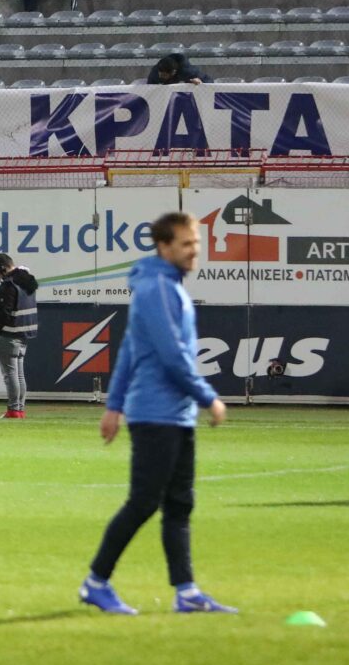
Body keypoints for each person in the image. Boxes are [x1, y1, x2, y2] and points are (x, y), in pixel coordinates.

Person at [81, 212, 238, 617]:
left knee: (179, 503)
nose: (195, 251)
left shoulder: (163, 287)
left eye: (196, 243)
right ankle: (95, 582)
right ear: (164, 247)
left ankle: (186, 593)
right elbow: (171, 356)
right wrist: (209, 397)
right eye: (187, 244)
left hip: (175, 415)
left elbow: (131, 349)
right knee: (144, 502)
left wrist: (113, 407)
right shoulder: (157, 290)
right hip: (156, 414)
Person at [0, 252, 39, 419]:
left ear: (1, 268)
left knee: (10, 374)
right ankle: (19, 409)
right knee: (19, 374)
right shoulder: (26, 282)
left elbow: (4, 313)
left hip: (8, 335)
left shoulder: (9, 285)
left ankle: (13, 410)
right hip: (22, 336)